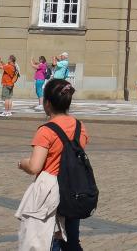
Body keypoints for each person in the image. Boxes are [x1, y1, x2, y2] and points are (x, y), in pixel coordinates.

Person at [16, 77, 87, 251]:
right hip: (73, 187)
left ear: (47, 104)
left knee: (49, 240)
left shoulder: (46, 130)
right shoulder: (79, 126)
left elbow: (35, 166)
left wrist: (21, 163)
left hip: (51, 190)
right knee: (71, 239)